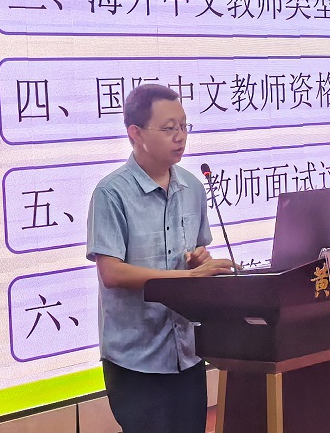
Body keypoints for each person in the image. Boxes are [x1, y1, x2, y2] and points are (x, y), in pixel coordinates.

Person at [86, 84, 234, 433]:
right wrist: (189, 278)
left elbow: (197, 253)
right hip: (136, 358)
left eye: (184, 126)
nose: (180, 136)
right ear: (135, 133)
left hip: (186, 351)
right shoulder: (111, 193)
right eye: (169, 128)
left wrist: (199, 262)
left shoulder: (193, 187)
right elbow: (111, 272)